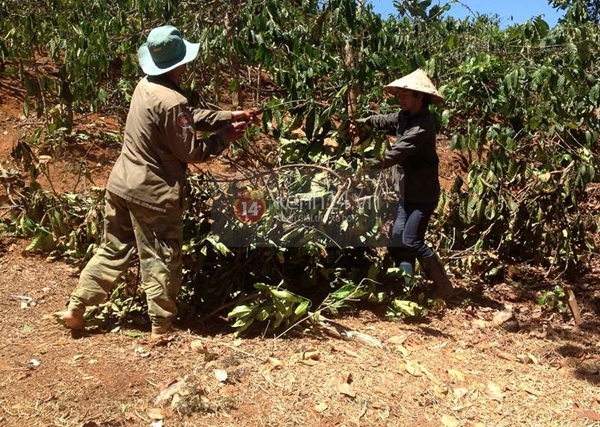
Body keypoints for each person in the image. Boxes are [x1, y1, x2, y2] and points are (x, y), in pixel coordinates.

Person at [61, 25, 258, 337]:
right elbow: (192, 151)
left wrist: (228, 115)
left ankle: (76, 306)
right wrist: (225, 137)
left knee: (113, 249)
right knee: (162, 257)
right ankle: (161, 327)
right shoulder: (172, 101)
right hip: (153, 193)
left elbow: (185, 117)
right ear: (180, 63)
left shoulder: (146, 86)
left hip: (121, 184)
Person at [350, 69, 454, 300]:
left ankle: (443, 286)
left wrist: (364, 164)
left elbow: (394, 154)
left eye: (405, 95)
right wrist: (360, 123)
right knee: (397, 238)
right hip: (405, 192)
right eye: (399, 94)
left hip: (422, 196)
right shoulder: (404, 117)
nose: (400, 97)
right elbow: (381, 120)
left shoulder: (422, 126)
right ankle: (405, 284)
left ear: (419, 97)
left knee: (411, 240)